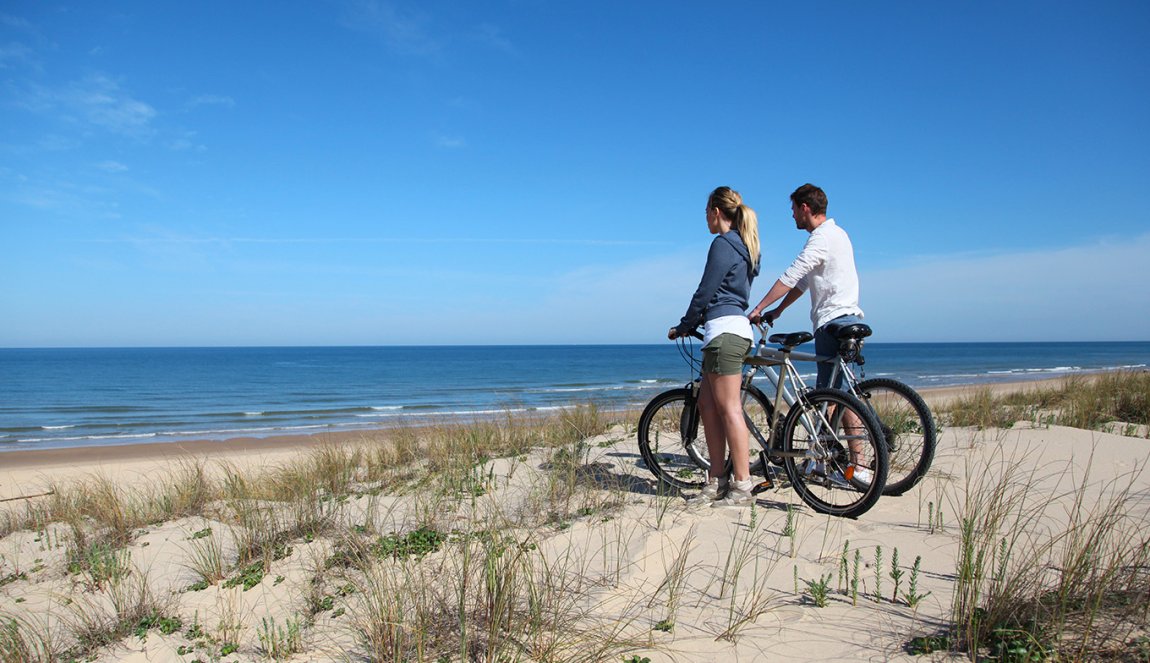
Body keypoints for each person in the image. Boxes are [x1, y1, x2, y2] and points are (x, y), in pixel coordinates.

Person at [748, 183, 873, 484]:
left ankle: (851, 465)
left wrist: (759, 307)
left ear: (805, 208)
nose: (792, 216)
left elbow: (791, 275)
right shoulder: (839, 234)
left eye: (793, 210)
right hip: (846, 317)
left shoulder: (821, 239)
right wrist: (777, 312)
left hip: (832, 322)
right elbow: (803, 283)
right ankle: (845, 464)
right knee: (839, 395)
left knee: (830, 396)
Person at [669, 186, 761, 508]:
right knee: (708, 407)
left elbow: (706, 290)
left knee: (729, 408)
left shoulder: (724, 244)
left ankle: (743, 485)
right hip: (722, 332)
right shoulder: (746, 245)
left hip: (725, 332)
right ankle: (717, 479)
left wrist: (684, 324)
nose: (705, 218)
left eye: (706, 211)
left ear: (716, 212)